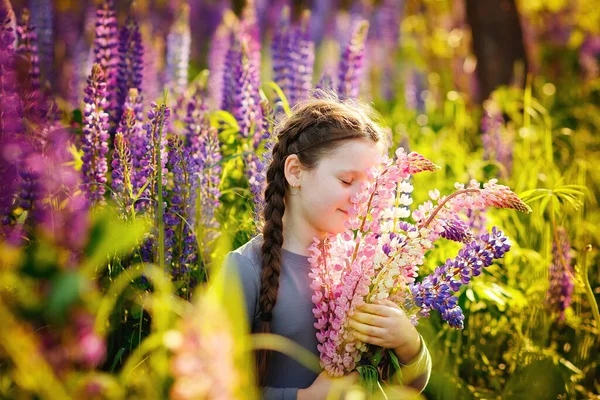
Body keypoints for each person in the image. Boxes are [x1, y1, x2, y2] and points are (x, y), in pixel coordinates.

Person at [220, 91, 432, 400]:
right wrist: (303, 397)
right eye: (347, 181)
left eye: (370, 188)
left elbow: (410, 386)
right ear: (295, 172)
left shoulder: (362, 269)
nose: (362, 197)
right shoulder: (244, 268)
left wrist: (408, 343)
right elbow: (213, 387)